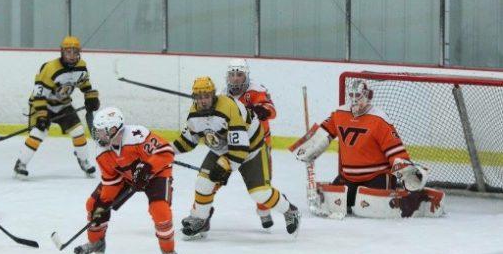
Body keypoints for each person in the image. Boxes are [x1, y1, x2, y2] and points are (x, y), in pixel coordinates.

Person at [294, 79, 444, 218]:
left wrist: (405, 171)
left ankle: (418, 198)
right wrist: (308, 147)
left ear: (368, 96)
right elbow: (324, 132)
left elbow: (394, 150)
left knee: (371, 208)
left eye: (358, 95)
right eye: (351, 95)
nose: (354, 99)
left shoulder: (379, 118)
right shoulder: (339, 113)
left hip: (376, 176)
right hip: (348, 176)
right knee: (338, 203)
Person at [172, 76, 300, 239]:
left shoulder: (228, 108)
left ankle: (290, 211)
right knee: (203, 182)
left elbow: (240, 149)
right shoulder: (194, 114)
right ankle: (200, 219)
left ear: (213, 95)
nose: (203, 101)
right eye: (199, 97)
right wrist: (166, 151)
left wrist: (225, 167)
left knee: (260, 194)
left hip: (251, 149)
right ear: (194, 98)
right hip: (222, 149)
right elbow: (187, 140)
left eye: (206, 96)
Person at [74, 107, 179, 254]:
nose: (98, 135)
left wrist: (148, 168)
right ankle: (96, 243)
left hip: (157, 174)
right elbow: (112, 181)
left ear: (114, 129)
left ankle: (168, 249)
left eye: (102, 131)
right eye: (98, 131)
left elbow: (166, 152)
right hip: (128, 178)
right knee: (94, 205)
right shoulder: (102, 152)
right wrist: (104, 204)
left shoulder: (137, 135)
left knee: (160, 210)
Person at [14, 35, 100, 179]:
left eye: (75, 52)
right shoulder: (51, 68)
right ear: (62, 52)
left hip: (62, 104)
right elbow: (39, 94)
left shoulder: (81, 66)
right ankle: (20, 164)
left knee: (78, 131)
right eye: (68, 52)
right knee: (38, 133)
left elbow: (85, 85)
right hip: (43, 104)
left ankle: (83, 160)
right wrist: (41, 115)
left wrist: (91, 97)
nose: (72, 56)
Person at [224, 58, 278, 229]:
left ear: (245, 75)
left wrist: (262, 110)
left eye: (239, 74)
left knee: (263, 181)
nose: (235, 78)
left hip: (260, 144)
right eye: (232, 75)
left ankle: (264, 211)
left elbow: (272, 110)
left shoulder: (256, 90)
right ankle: (202, 214)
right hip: (235, 145)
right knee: (215, 176)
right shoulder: (222, 95)